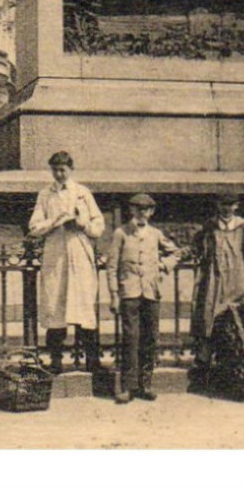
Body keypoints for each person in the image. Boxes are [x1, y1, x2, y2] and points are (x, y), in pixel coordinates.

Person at [27, 151, 105, 374]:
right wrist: (53, 222)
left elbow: (98, 225)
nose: (59, 174)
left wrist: (82, 225)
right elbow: (34, 226)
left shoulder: (82, 193)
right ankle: (56, 361)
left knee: (83, 307)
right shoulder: (46, 195)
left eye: (63, 169)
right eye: (55, 170)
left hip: (79, 253)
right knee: (56, 307)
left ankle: (92, 360)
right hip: (56, 255)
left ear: (71, 169)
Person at [107, 193, 178, 403]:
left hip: (151, 292)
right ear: (131, 211)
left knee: (150, 339)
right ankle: (128, 387)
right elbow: (111, 267)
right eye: (137, 209)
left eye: (146, 210)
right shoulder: (121, 233)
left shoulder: (155, 234)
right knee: (131, 339)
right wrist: (113, 295)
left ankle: (146, 384)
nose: (141, 213)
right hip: (129, 293)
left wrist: (164, 266)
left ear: (151, 212)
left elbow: (175, 252)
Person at [189, 194, 244, 370]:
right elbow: (197, 245)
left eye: (230, 205)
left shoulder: (243, 226)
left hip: (236, 275)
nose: (227, 208)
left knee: (235, 313)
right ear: (218, 206)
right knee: (210, 313)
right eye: (223, 204)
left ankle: (232, 355)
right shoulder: (210, 226)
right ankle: (205, 355)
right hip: (215, 276)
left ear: (236, 206)